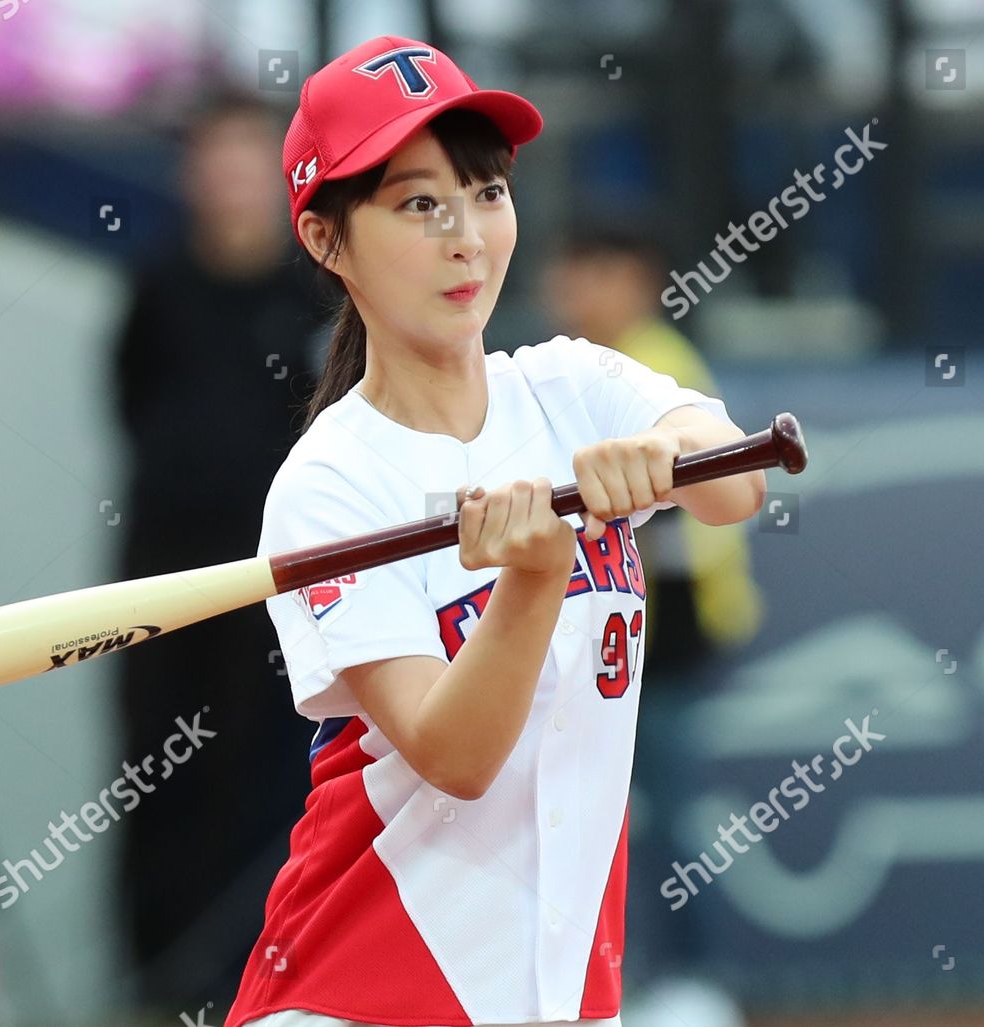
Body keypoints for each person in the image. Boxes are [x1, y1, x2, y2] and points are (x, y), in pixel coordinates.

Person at [222, 36, 765, 1027]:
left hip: (553, 993)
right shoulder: (332, 484)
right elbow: (455, 756)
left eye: (486, 192)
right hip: (359, 991)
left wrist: (672, 452)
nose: (467, 235)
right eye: (419, 204)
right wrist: (529, 582)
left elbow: (736, 485)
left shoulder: (571, 384)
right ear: (326, 239)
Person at [110, 89, 327, 1010]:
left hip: (280, 584)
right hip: (163, 576)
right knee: (158, 769)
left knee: (271, 778)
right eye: (214, 155)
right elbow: (128, 404)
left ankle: (263, 977)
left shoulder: (314, 291)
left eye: (249, 157)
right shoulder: (157, 286)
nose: (229, 177)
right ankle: (158, 978)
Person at [540, 224, 764, 680]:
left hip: (669, 616)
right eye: (572, 271)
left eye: (600, 273)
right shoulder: (567, 365)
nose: (578, 289)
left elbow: (736, 486)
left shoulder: (652, 364)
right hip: (618, 622)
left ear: (641, 283)